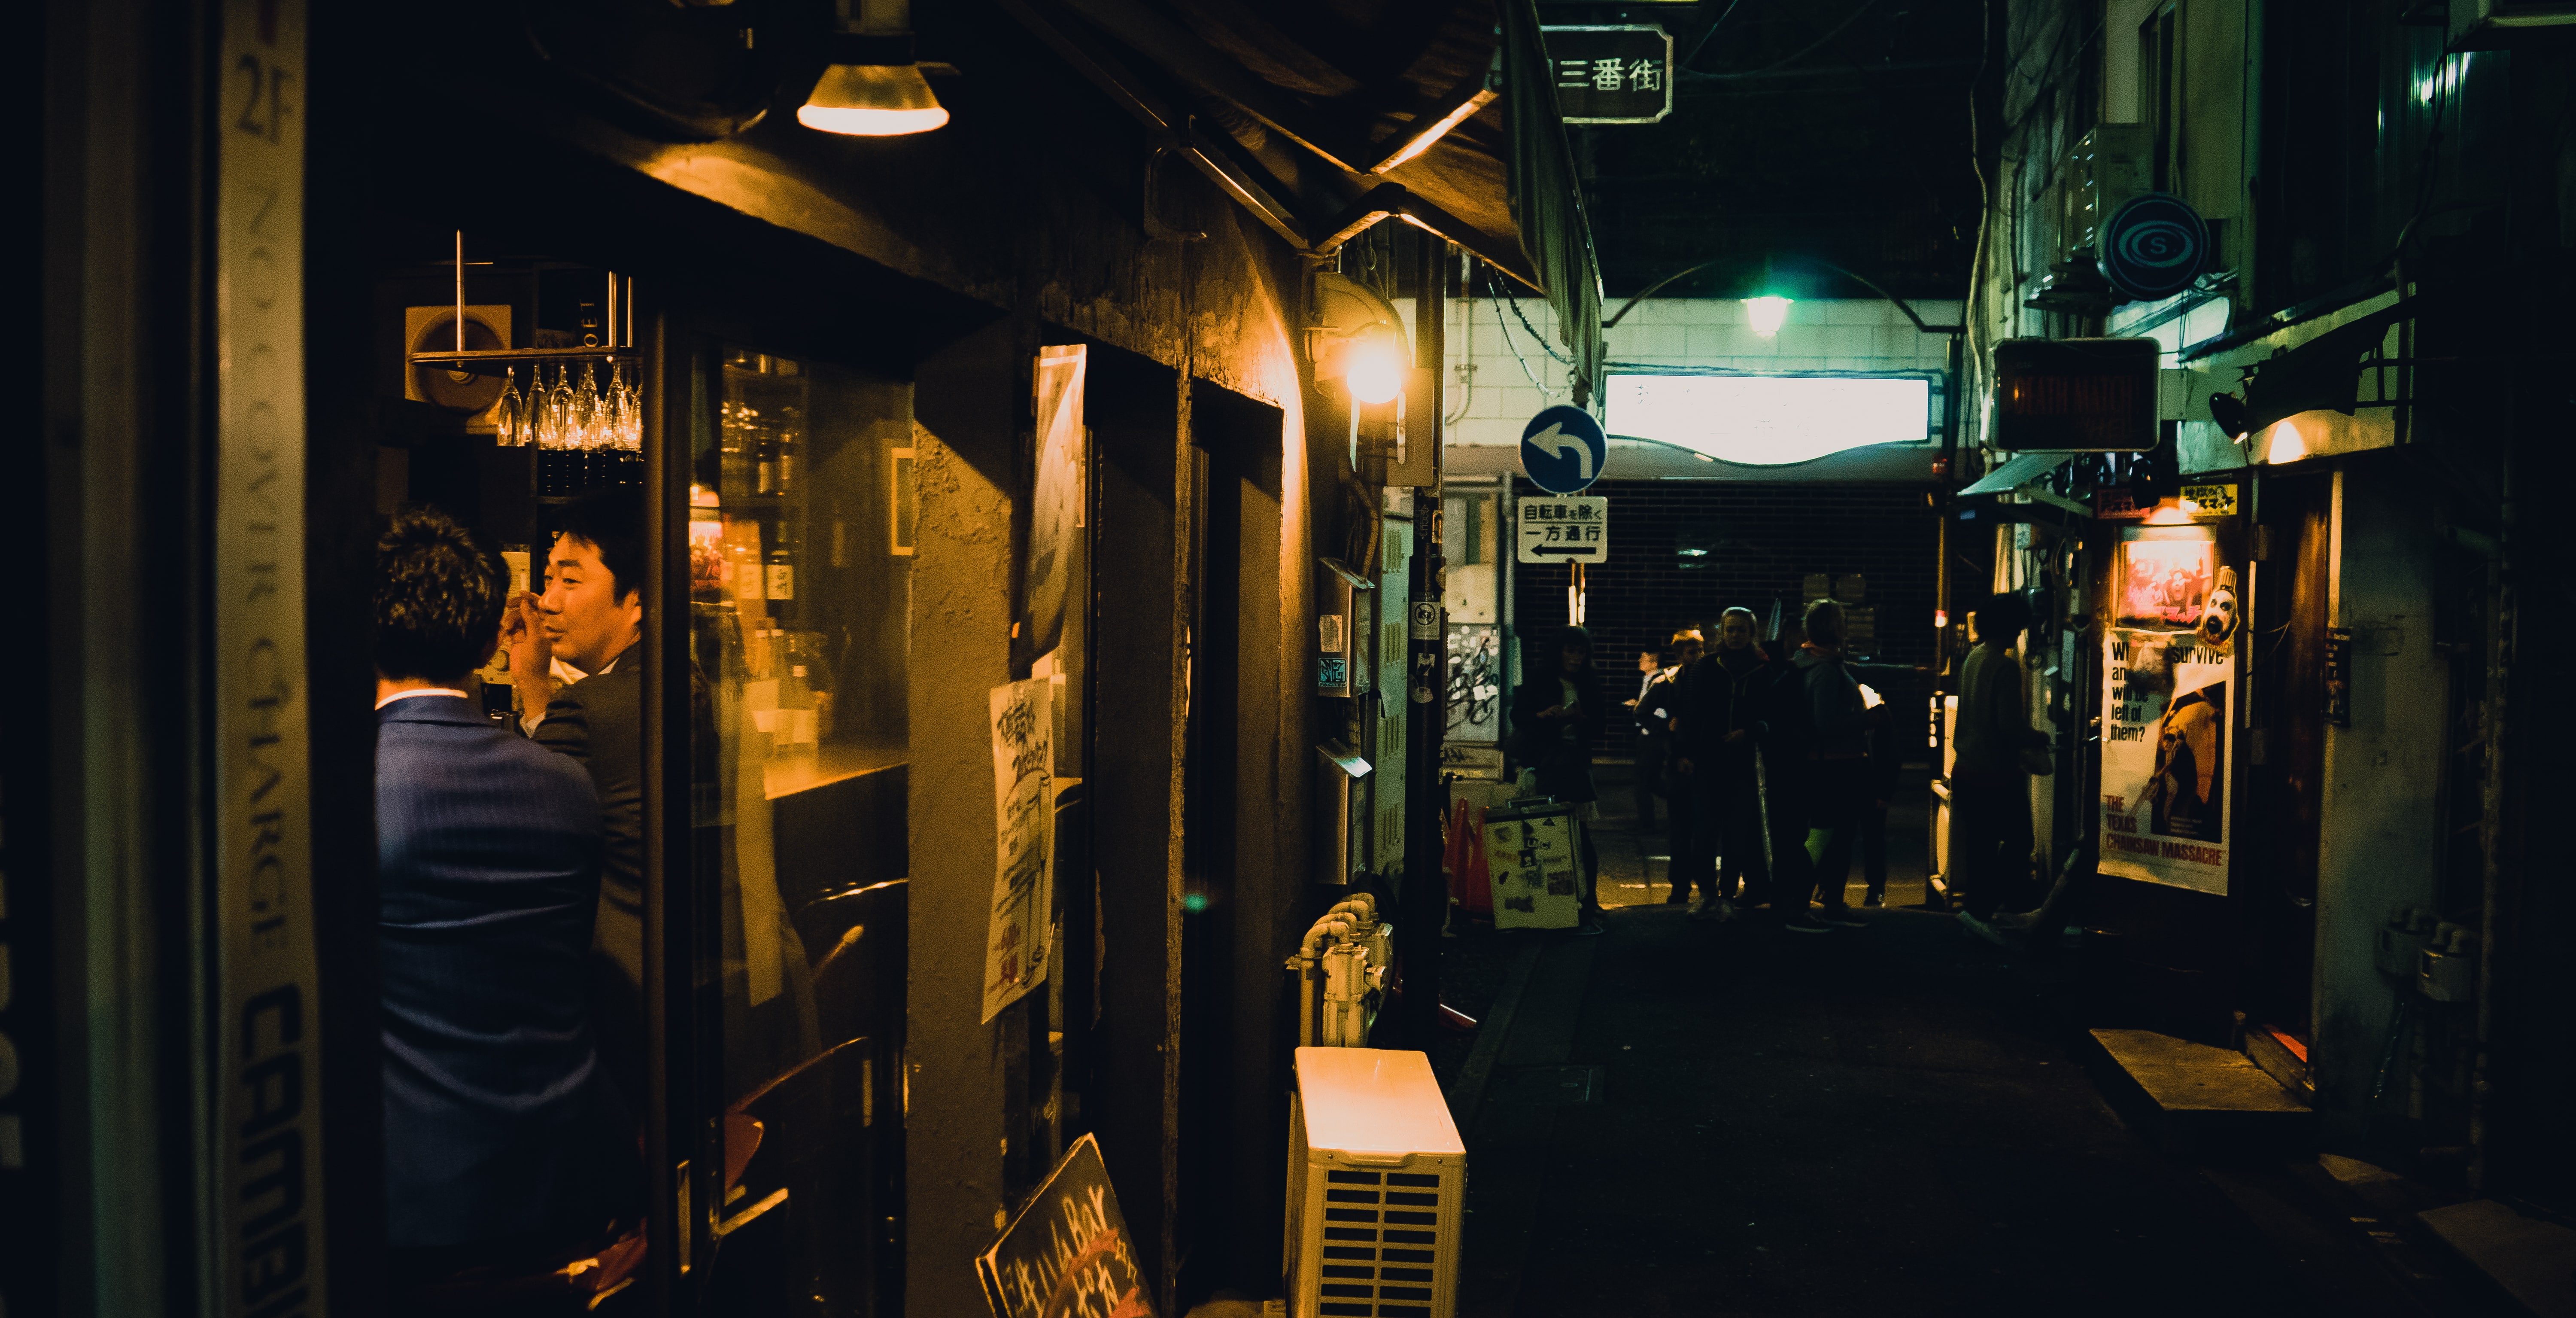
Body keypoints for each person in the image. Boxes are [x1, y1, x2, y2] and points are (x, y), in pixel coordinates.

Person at [374, 507, 635, 1288]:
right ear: (493, 637)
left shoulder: (341, 785)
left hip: (414, 1200)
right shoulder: (562, 785)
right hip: (566, 1180)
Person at [505, 487, 650, 1111]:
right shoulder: (684, 679)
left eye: (572, 579)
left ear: (637, 599)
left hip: (628, 1021)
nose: (548, 602)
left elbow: (527, 836)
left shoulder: (593, 708)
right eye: (546, 579)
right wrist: (540, 690)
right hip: (730, 994)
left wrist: (533, 692)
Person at [1951, 591, 2047, 943]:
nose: (2021, 634)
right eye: (2019, 627)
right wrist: (2036, 737)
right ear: (2011, 627)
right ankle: (1982, 909)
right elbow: (2008, 726)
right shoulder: (2005, 667)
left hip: (1966, 770)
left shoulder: (1973, 658)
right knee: (2021, 840)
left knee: (1981, 846)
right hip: (1995, 773)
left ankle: (1976, 913)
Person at [1672, 609, 1774, 922]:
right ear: (1723, 632)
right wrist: (1685, 752)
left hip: (1742, 762)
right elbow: (1690, 713)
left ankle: (1727, 894)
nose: (1735, 636)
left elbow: (1770, 713)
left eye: (1741, 630)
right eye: (1730, 630)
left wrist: (1750, 732)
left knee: (1735, 833)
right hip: (1710, 760)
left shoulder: (1760, 668)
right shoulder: (1707, 666)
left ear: (1751, 633)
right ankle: (1706, 892)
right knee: (1704, 832)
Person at [1783, 599, 1876, 932]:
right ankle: (1800, 906)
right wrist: (1866, 720)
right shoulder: (1824, 669)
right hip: (1834, 766)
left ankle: (1826, 903)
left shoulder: (1811, 663)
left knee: (1832, 836)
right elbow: (1824, 723)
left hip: (1827, 764)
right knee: (1824, 837)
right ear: (1836, 628)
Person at [1512, 626, 1606, 935]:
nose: (1576, 658)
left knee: (1580, 833)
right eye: (1570, 651)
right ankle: (1548, 900)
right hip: (1546, 762)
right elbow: (1519, 715)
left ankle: (1588, 898)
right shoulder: (1541, 680)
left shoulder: (1589, 684)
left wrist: (1581, 720)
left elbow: (1601, 726)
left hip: (1575, 765)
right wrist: (1545, 715)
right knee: (1544, 831)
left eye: (1581, 652)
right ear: (1559, 652)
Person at [1637, 629, 1703, 901]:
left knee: (1700, 828)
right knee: (1681, 828)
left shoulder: (1705, 679)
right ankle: (1681, 886)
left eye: (1700, 650)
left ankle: (1693, 885)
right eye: (1692, 652)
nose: (1698, 656)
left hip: (1700, 761)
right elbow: (1641, 712)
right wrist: (1665, 725)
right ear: (1679, 654)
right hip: (1678, 762)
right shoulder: (1667, 683)